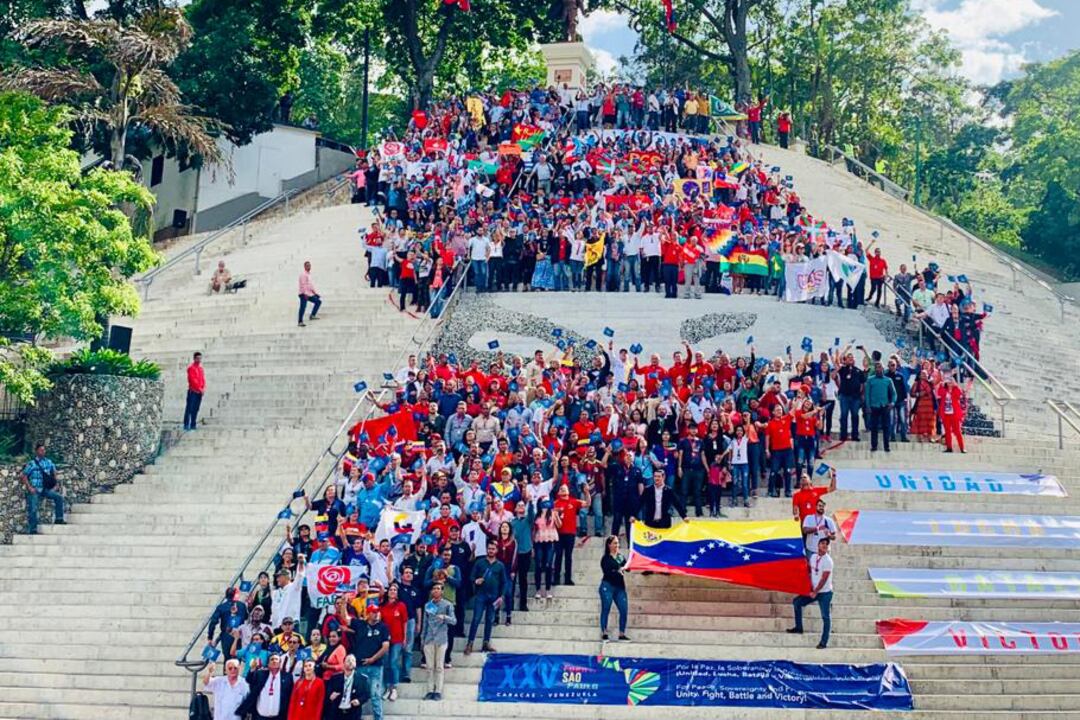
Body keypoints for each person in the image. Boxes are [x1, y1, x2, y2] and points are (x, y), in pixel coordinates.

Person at [788, 537, 834, 649]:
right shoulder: (813, 557)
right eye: (822, 543)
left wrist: (815, 591)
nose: (824, 546)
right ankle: (799, 627)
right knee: (797, 602)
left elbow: (824, 579)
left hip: (824, 593)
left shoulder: (828, 561)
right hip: (813, 590)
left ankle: (823, 642)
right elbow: (809, 569)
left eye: (826, 544)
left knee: (825, 617)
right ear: (818, 545)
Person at [465, 539, 506, 655]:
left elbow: (504, 582)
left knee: (489, 620)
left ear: (497, 550)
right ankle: (470, 643)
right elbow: (471, 577)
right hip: (481, 595)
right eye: (489, 549)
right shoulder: (480, 562)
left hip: (493, 596)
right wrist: (476, 581)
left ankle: (486, 643)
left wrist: (501, 596)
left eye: (493, 549)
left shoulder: (500, 565)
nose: (491, 551)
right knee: (476, 619)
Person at [352, 603, 390, 720]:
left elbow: (385, 646)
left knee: (375, 695)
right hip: (360, 666)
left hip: (376, 666)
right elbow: (345, 618)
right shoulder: (360, 624)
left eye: (377, 612)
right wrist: (343, 602)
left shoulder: (383, 627)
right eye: (373, 612)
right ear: (368, 614)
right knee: (358, 694)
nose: (376, 614)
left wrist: (372, 659)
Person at [421, 582, 456, 701]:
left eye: (438, 589)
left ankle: (438, 691)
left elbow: (454, 621)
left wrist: (445, 617)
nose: (435, 590)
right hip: (429, 638)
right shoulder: (428, 605)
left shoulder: (447, 605)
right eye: (434, 588)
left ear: (442, 591)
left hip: (441, 638)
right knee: (429, 667)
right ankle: (430, 690)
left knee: (439, 666)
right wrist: (423, 639)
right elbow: (425, 623)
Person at [22, 442, 64, 534]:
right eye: (41, 450)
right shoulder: (32, 463)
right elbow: (24, 476)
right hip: (35, 488)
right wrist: (29, 488)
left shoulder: (48, 462)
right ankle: (33, 529)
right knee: (33, 508)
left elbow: (54, 471)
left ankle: (59, 518)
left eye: (44, 450)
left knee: (59, 497)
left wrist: (56, 484)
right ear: (37, 451)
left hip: (45, 489)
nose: (43, 451)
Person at [237, 653, 293, 720]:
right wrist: (252, 669)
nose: (274, 661)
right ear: (268, 664)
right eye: (272, 659)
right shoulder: (260, 674)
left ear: (280, 663)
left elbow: (290, 695)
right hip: (260, 717)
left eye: (276, 659)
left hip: (279, 717)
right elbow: (249, 680)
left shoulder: (287, 677)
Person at [598, 535, 629, 641]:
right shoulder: (605, 558)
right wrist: (617, 571)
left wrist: (629, 564)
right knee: (606, 608)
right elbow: (607, 572)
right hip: (608, 585)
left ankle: (621, 633)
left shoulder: (620, 557)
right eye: (615, 543)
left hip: (620, 586)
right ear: (609, 545)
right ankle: (604, 631)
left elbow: (627, 568)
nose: (617, 545)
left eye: (618, 543)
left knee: (624, 609)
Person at [324, 654, 370, 720]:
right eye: (348, 660)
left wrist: (359, 701)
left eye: (353, 660)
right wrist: (330, 697)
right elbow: (328, 693)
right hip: (336, 713)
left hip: (353, 713)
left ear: (356, 663)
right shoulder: (335, 678)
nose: (351, 662)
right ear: (343, 663)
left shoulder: (362, 679)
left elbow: (367, 694)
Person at [864, 361, 897, 453]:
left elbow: (894, 394)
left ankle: (887, 446)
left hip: (885, 406)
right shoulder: (870, 380)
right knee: (874, 427)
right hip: (874, 406)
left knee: (886, 427)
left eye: (880, 367)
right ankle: (874, 446)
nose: (879, 369)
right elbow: (867, 394)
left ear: (883, 368)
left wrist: (892, 403)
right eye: (877, 367)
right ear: (875, 369)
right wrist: (868, 406)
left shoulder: (888, 380)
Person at [937, 375, 966, 453]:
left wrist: (955, 385)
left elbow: (959, 394)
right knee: (947, 431)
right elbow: (939, 393)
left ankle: (962, 448)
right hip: (946, 414)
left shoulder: (956, 389)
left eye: (951, 382)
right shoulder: (944, 389)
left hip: (954, 414)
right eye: (948, 382)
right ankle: (949, 448)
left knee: (957, 431)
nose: (949, 384)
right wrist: (942, 385)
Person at [184, 351, 205, 431]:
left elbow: (202, 379)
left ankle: (193, 424)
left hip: (199, 392)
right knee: (189, 408)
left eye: (200, 358)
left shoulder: (200, 369)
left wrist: (202, 388)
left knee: (196, 409)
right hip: (193, 391)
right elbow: (192, 380)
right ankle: (186, 424)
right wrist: (199, 388)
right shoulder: (191, 368)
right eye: (198, 358)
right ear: (194, 359)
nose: (199, 360)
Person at [298, 260, 321, 327]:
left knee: (318, 301)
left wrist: (315, 293)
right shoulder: (303, 274)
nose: (309, 266)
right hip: (303, 294)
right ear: (304, 266)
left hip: (309, 294)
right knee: (303, 307)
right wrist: (305, 294)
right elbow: (303, 285)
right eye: (307, 265)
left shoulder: (308, 274)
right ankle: (300, 321)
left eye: (309, 265)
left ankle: (312, 315)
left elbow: (310, 285)